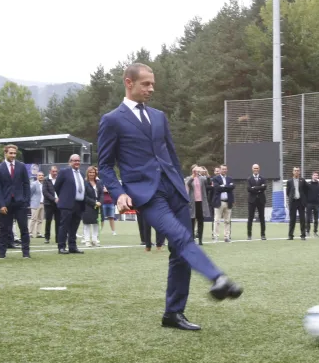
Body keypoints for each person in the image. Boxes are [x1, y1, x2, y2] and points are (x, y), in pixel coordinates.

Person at [97, 62, 243, 331]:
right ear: (128, 83)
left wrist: (181, 184)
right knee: (180, 238)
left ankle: (173, 314)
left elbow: (172, 156)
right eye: (146, 84)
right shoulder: (112, 120)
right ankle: (217, 278)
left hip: (174, 190)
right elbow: (105, 165)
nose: (151, 89)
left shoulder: (159, 116)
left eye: (153, 84)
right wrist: (118, 193)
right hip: (147, 195)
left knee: (179, 253)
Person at [0, 144, 32, 259]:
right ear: (5, 153)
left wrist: (26, 200)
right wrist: (1, 204)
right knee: (4, 229)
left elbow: (26, 184)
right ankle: (2, 253)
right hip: (6, 204)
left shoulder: (21, 166)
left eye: (14, 153)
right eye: (11, 153)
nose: (13, 155)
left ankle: (26, 252)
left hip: (20, 203)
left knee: (24, 228)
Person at [53, 154, 86, 255]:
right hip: (67, 204)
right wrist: (63, 197)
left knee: (74, 226)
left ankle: (72, 246)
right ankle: (61, 246)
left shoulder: (81, 173)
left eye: (78, 161)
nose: (77, 162)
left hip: (79, 204)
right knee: (64, 225)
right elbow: (57, 186)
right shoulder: (64, 172)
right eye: (74, 160)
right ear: (70, 162)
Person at [185, 165, 212, 245]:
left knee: (200, 221)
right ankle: (192, 239)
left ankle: (200, 239)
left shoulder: (202, 178)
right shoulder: (188, 178)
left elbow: (209, 182)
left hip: (200, 202)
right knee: (192, 221)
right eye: (195, 170)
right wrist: (193, 176)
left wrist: (206, 173)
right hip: (193, 203)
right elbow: (188, 184)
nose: (197, 171)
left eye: (197, 170)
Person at [81, 165, 105, 247]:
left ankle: (95, 240)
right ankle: (87, 240)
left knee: (96, 223)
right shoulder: (84, 182)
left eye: (93, 172)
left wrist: (100, 202)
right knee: (87, 224)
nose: (92, 174)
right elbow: (84, 196)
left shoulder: (99, 182)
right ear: (88, 173)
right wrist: (94, 202)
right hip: (87, 206)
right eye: (90, 172)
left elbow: (102, 193)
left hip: (98, 205)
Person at [210, 164, 234, 242]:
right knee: (217, 220)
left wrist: (223, 186)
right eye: (223, 169)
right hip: (219, 202)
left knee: (227, 221)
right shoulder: (215, 178)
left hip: (228, 202)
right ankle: (216, 236)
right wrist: (227, 187)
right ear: (220, 170)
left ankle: (226, 237)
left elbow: (232, 187)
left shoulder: (230, 178)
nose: (224, 170)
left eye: (225, 169)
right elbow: (217, 188)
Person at [285, 167, 308, 241]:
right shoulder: (289, 181)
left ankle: (303, 235)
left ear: (299, 172)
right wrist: (292, 198)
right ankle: (290, 235)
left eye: (298, 171)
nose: (296, 172)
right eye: (295, 170)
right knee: (292, 219)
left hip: (301, 202)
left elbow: (306, 190)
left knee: (302, 219)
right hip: (293, 202)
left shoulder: (303, 181)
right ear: (293, 172)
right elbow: (288, 192)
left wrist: (304, 199)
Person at [247, 163, 267, 241]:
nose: (256, 170)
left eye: (257, 168)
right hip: (252, 201)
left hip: (261, 200)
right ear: (252, 169)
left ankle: (263, 235)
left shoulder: (263, 178)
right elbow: (249, 189)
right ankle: (249, 235)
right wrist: (259, 188)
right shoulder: (249, 179)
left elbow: (264, 187)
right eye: (254, 168)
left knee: (262, 218)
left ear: (259, 169)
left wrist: (254, 187)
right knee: (250, 218)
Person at [305, 171, 319, 237]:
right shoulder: (308, 184)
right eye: (314, 175)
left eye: (317, 175)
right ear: (312, 176)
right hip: (309, 204)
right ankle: (307, 231)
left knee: (316, 219)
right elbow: (304, 194)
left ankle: (315, 232)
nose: (316, 176)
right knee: (308, 218)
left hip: (316, 204)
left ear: (318, 177)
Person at [42, 166, 58, 243]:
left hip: (58, 203)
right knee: (48, 221)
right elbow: (45, 192)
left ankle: (58, 238)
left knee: (58, 221)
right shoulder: (46, 179)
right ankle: (47, 237)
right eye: (53, 171)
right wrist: (54, 199)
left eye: (56, 171)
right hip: (48, 203)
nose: (55, 173)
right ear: (50, 171)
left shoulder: (59, 179)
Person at [29, 172, 45, 238]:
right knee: (33, 218)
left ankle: (38, 233)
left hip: (43, 203)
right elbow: (30, 193)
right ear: (37, 176)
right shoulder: (34, 184)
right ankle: (30, 233)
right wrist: (31, 201)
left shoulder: (44, 184)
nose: (41, 176)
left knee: (40, 219)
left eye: (42, 175)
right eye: (39, 175)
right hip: (35, 203)